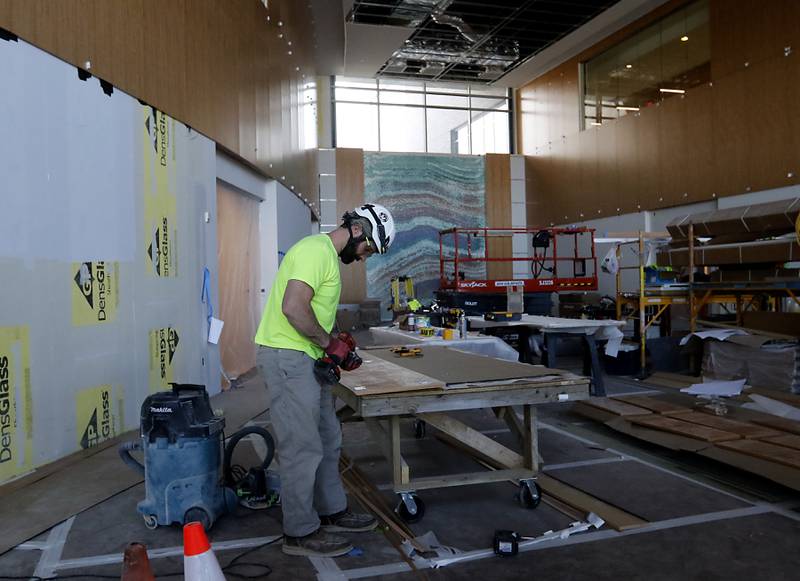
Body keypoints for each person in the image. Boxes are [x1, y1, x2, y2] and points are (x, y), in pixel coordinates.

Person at [255, 203, 396, 557]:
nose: (364, 257)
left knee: (328, 437)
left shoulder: (326, 257)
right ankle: (300, 532)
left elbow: (312, 310)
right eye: (369, 250)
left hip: (306, 357)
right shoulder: (314, 251)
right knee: (301, 445)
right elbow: (293, 307)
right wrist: (329, 343)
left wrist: (336, 341)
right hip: (287, 357)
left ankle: (331, 511)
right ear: (360, 231)